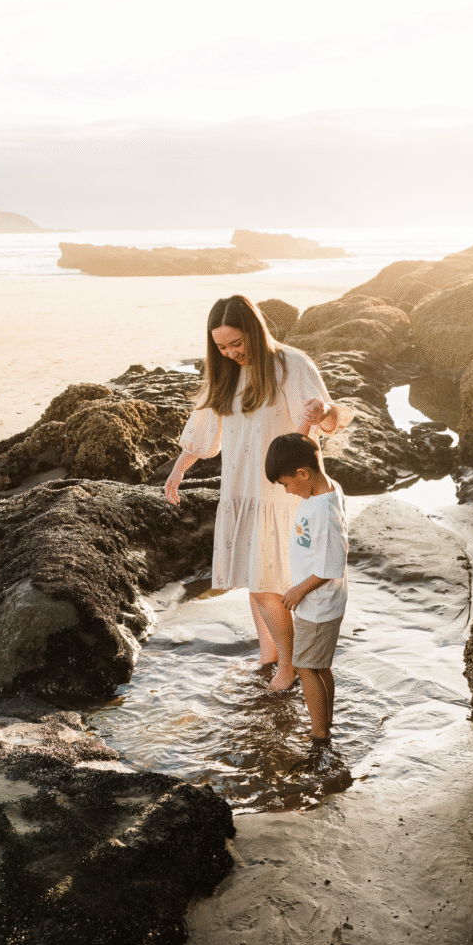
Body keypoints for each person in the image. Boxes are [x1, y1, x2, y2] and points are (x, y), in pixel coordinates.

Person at [164, 295, 352, 691]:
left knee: (269, 586)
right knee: (256, 583)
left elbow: (329, 417)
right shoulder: (225, 374)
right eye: (221, 347)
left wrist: (322, 414)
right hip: (240, 491)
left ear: (254, 331)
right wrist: (176, 474)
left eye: (237, 343)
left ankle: (289, 667)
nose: (231, 353)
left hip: (280, 494)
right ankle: (269, 658)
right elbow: (203, 428)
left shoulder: (291, 364)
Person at [265, 432, 348, 741]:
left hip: (318, 603)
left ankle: (318, 734)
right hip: (325, 602)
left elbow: (331, 564)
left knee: (305, 667)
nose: (287, 491)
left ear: (303, 473)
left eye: (287, 484)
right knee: (320, 665)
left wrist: (298, 590)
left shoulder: (324, 512)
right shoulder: (323, 490)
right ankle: (325, 725)